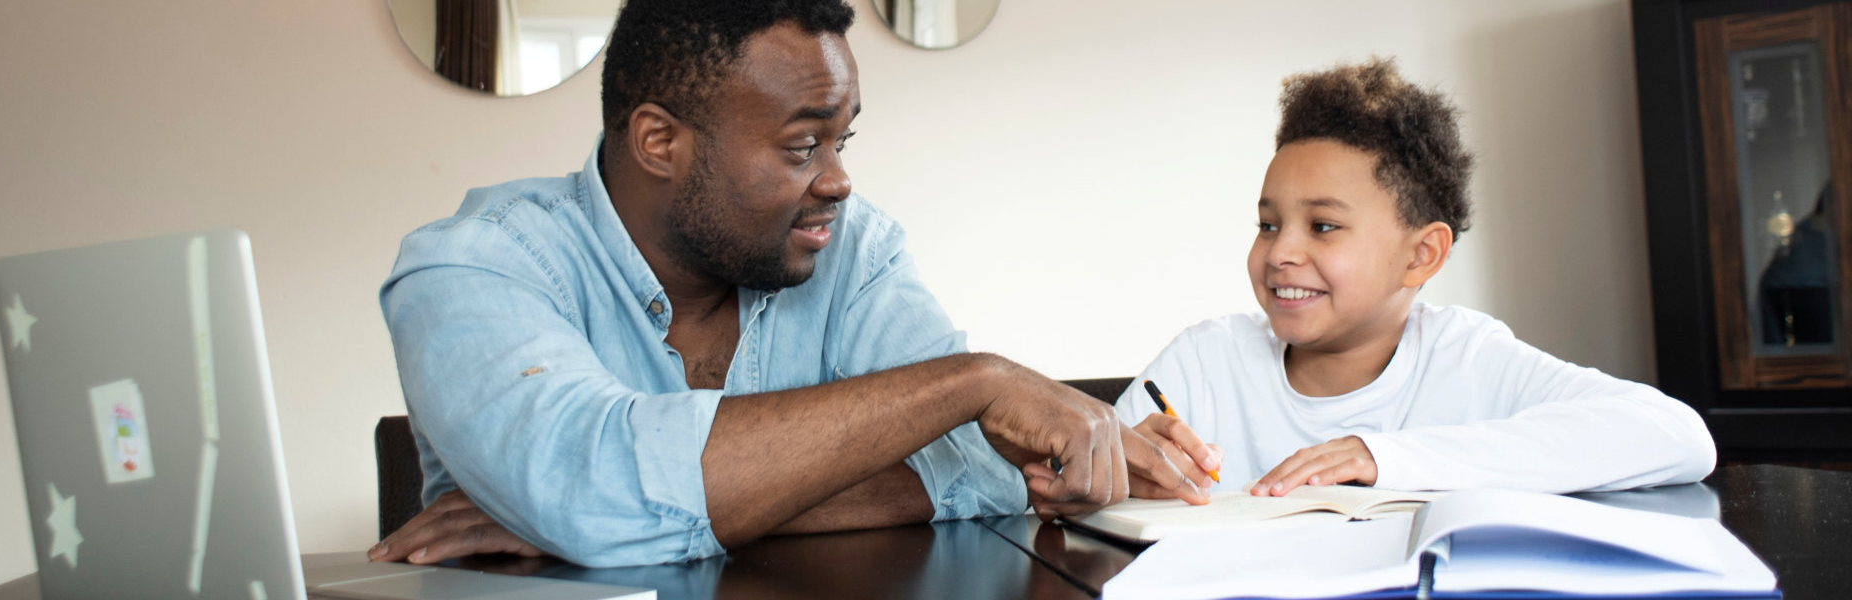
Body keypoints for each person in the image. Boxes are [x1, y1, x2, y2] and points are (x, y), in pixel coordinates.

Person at [366, 0, 1213, 568]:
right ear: (660, 141)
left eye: (844, 141)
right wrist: (975, 382)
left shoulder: (851, 245)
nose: (840, 181)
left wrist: (587, 525)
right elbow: (592, 493)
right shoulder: (472, 268)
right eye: (804, 147)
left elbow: (988, 472)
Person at [1119, 58, 1716, 500]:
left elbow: (1679, 434)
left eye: (1323, 226)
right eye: (1268, 224)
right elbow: (1074, 478)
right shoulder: (1204, 363)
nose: (1281, 252)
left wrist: (1381, 457)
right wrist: (1118, 473)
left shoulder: (1468, 358)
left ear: (1422, 255)